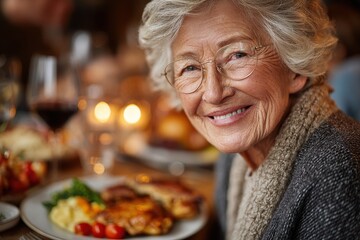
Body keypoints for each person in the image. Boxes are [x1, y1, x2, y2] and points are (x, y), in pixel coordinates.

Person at [138, 0, 360, 239]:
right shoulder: (233, 157)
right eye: (190, 68)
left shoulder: (339, 170)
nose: (213, 93)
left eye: (237, 55)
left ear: (295, 68)